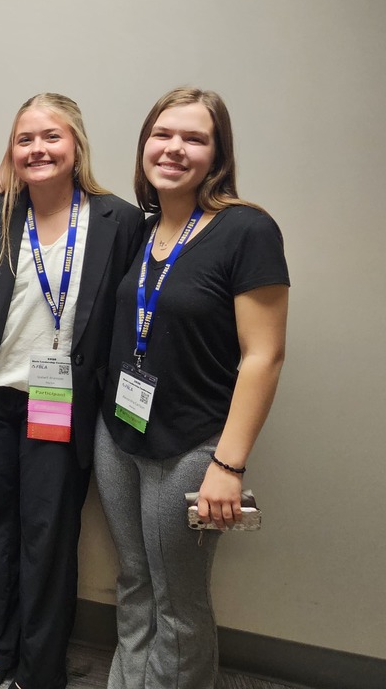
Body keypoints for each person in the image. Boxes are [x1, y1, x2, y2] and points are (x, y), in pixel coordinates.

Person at [94, 88, 289, 689]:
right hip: (120, 435)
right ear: (144, 145)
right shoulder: (144, 230)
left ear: (217, 154)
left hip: (193, 447)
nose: (174, 148)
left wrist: (228, 465)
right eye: (163, 134)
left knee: (179, 601)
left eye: (194, 138)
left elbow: (264, 355)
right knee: (133, 581)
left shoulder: (247, 230)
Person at [0, 94, 144, 689]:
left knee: (48, 539)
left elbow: (124, 320)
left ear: (75, 146)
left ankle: (40, 668)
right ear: (11, 151)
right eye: (24, 139)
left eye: (51, 137)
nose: (37, 149)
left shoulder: (119, 221)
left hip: (62, 404)